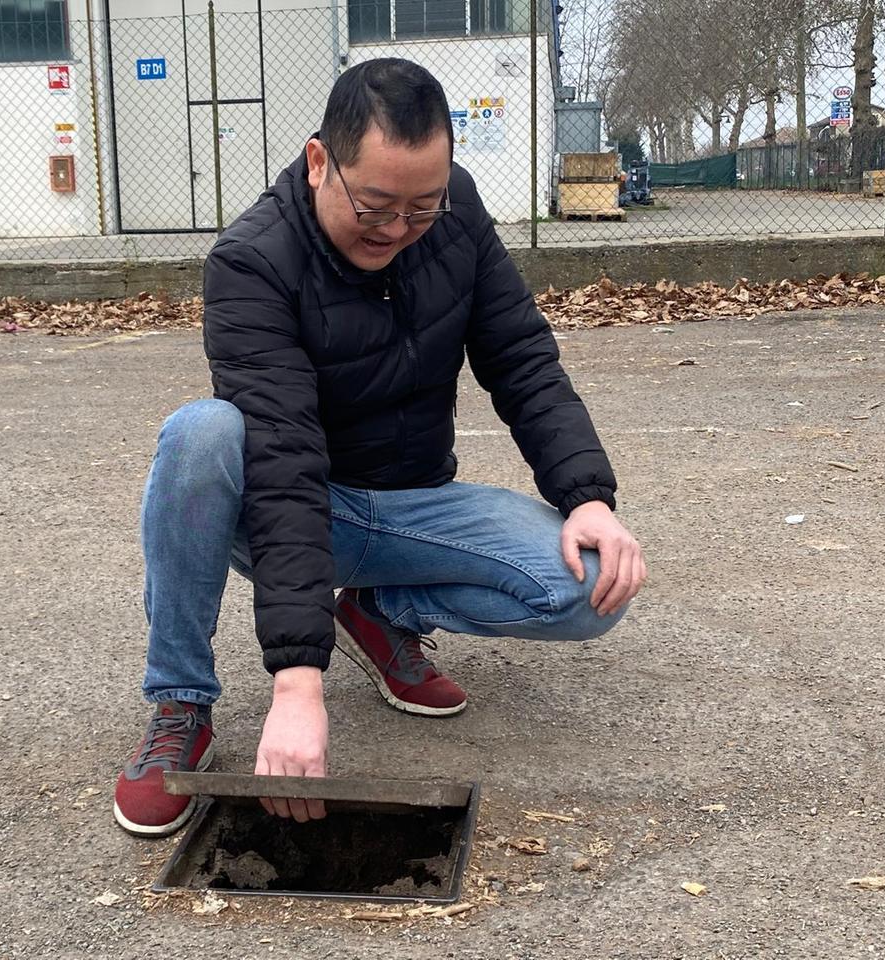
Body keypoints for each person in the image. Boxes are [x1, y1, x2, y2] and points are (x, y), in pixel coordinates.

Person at [113, 58, 646, 837]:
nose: (398, 230)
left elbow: (522, 360)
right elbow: (284, 461)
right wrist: (297, 684)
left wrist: (588, 497)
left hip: (410, 508)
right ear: (320, 160)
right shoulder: (253, 261)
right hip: (297, 511)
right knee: (202, 435)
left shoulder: (457, 214)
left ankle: (378, 608)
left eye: (421, 209)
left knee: (592, 584)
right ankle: (180, 703)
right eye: (376, 206)